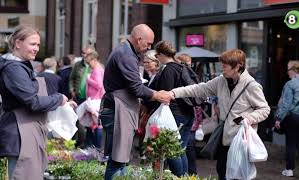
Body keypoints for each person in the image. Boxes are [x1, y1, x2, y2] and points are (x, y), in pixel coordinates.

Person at [160, 49, 270, 180]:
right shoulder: (221, 80)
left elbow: (264, 109)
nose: (221, 69)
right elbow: (199, 88)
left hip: (241, 139)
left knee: (238, 175)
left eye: (225, 66)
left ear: (238, 66)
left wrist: (249, 118)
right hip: (224, 138)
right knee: (222, 171)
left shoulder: (252, 86)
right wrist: (173, 93)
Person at [100, 24, 171, 180]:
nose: (149, 47)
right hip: (117, 111)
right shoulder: (126, 54)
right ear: (139, 40)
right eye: (149, 44)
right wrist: (157, 95)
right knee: (118, 161)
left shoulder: (126, 51)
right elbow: (137, 88)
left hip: (119, 109)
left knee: (122, 159)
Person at [0, 25, 68, 180]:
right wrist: (59, 99)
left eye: (38, 44)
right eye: (32, 44)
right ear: (18, 43)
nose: (36, 48)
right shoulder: (13, 69)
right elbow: (32, 102)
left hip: (27, 129)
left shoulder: (21, 66)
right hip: (20, 132)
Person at [151, 40, 195, 176]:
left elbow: (165, 94)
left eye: (157, 56)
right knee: (180, 150)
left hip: (175, 114)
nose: (157, 59)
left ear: (162, 54)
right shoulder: (181, 67)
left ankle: (179, 177)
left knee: (172, 151)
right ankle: (184, 177)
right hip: (188, 113)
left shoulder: (169, 70)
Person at [84, 50, 105, 148]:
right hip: (96, 99)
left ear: (94, 60)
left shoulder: (97, 70)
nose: (89, 65)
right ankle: (96, 148)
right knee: (95, 124)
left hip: (96, 100)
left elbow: (99, 85)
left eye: (89, 62)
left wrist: (88, 79)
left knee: (97, 124)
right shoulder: (99, 69)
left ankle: (97, 148)